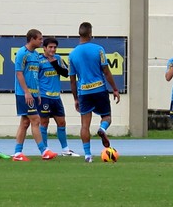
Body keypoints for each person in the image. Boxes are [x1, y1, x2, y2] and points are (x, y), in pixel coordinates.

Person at [69, 22, 120, 163]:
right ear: (90, 33)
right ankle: (102, 129)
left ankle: (87, 155)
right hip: (99, 89)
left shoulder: (72, 54)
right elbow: (106, 71)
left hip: (84, 92)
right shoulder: (99, 49)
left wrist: (75, 98)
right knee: (107, 117)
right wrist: (115, 89)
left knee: (85, 125)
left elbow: (72, 80)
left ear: (79, 34)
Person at [13, 29, 58, 161]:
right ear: (32, 39)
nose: (41, 41)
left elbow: (34, 76)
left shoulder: (35, 55)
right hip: (24, 94)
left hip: (32, 94)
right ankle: (44, 151)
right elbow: (19, 73)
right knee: (36, 120)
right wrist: (27, 92)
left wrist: (36, 93)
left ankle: (17, 153)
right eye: (40, 39)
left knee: (25, 122)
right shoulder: (22, 53)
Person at [38, 37, 79, 157]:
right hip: (44, 96)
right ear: (44, 48)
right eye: (50, 47)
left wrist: (54, 63)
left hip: (56, 97)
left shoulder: (59, 59)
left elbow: (66, 73)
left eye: (55, 47)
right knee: (44, 122)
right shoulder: (39, 60)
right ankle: (45, 150)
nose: (53, 49)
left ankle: (65, 150)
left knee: (61, 122)